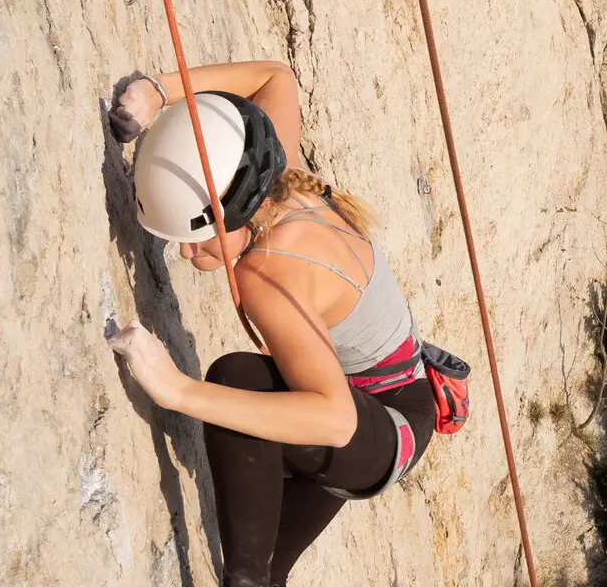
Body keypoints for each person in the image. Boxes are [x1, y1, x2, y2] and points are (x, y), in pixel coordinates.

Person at [103, 61, 470, 587]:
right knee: (270, 573)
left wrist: (176, 391)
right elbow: (275, 79)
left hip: (381, 427)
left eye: (196, 233)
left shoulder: (267, 272)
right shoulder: (280, 181)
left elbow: (336, 421)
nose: (185, 252)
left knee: (236, 377)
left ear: (233, 211)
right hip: (377, 395)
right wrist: (155, 92)